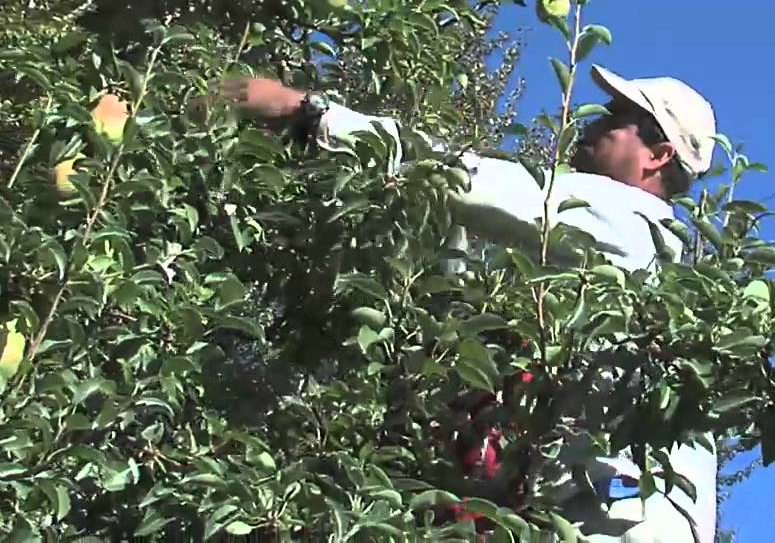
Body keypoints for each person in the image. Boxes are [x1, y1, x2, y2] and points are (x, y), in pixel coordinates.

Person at [220, 64, 721, 542]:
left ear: (658, 155)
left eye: (615, 119)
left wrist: (308, 112)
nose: (594, 124)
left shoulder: (628, 217)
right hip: (587, 510)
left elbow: (466, 179)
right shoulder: (607, 264)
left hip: (623, 518)